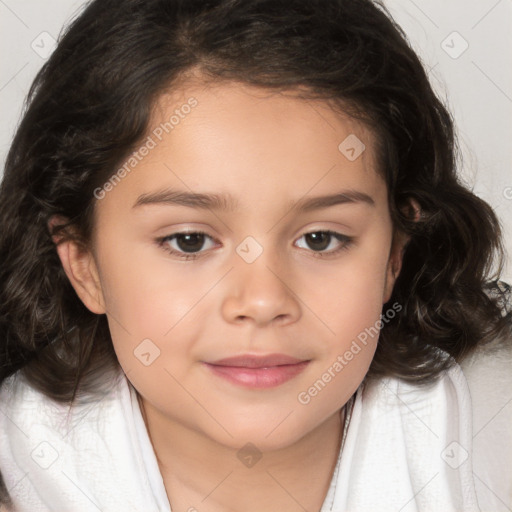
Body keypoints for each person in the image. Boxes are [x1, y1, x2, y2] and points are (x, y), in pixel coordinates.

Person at [0, 0, 510, 510]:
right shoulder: (18, 464)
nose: (263, 301)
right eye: (189, 241)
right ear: (83, 264)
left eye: (320, 239)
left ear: (394, 256)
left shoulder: (490, 439)